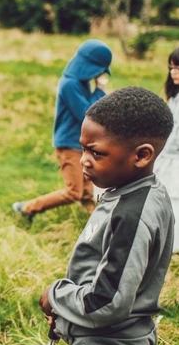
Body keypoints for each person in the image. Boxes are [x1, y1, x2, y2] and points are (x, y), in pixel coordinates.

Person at [38, 87, 175, 345]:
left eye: (96, 153)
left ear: (142, 155)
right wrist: (67, 318)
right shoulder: (130, 191)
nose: (84, 160)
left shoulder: (132, 214)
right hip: (105, 340)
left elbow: (107, 303)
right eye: (82, 148)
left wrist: (56, 296)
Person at [14, 39, 112, 220]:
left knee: (87, 191)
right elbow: (86, 115)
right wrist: (99, 90)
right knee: (74, 192)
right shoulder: (70, 84)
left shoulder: (80, 82)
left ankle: (95, 224)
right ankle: (27, 208)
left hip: (81, 144)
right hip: (69, 144)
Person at [154, 45, 179, 253]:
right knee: (163, 198)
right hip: (168, 159)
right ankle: (164, 241)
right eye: (171, 68)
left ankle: (178, 245)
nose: (173, 72)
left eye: (178, 68)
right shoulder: (177, 97)